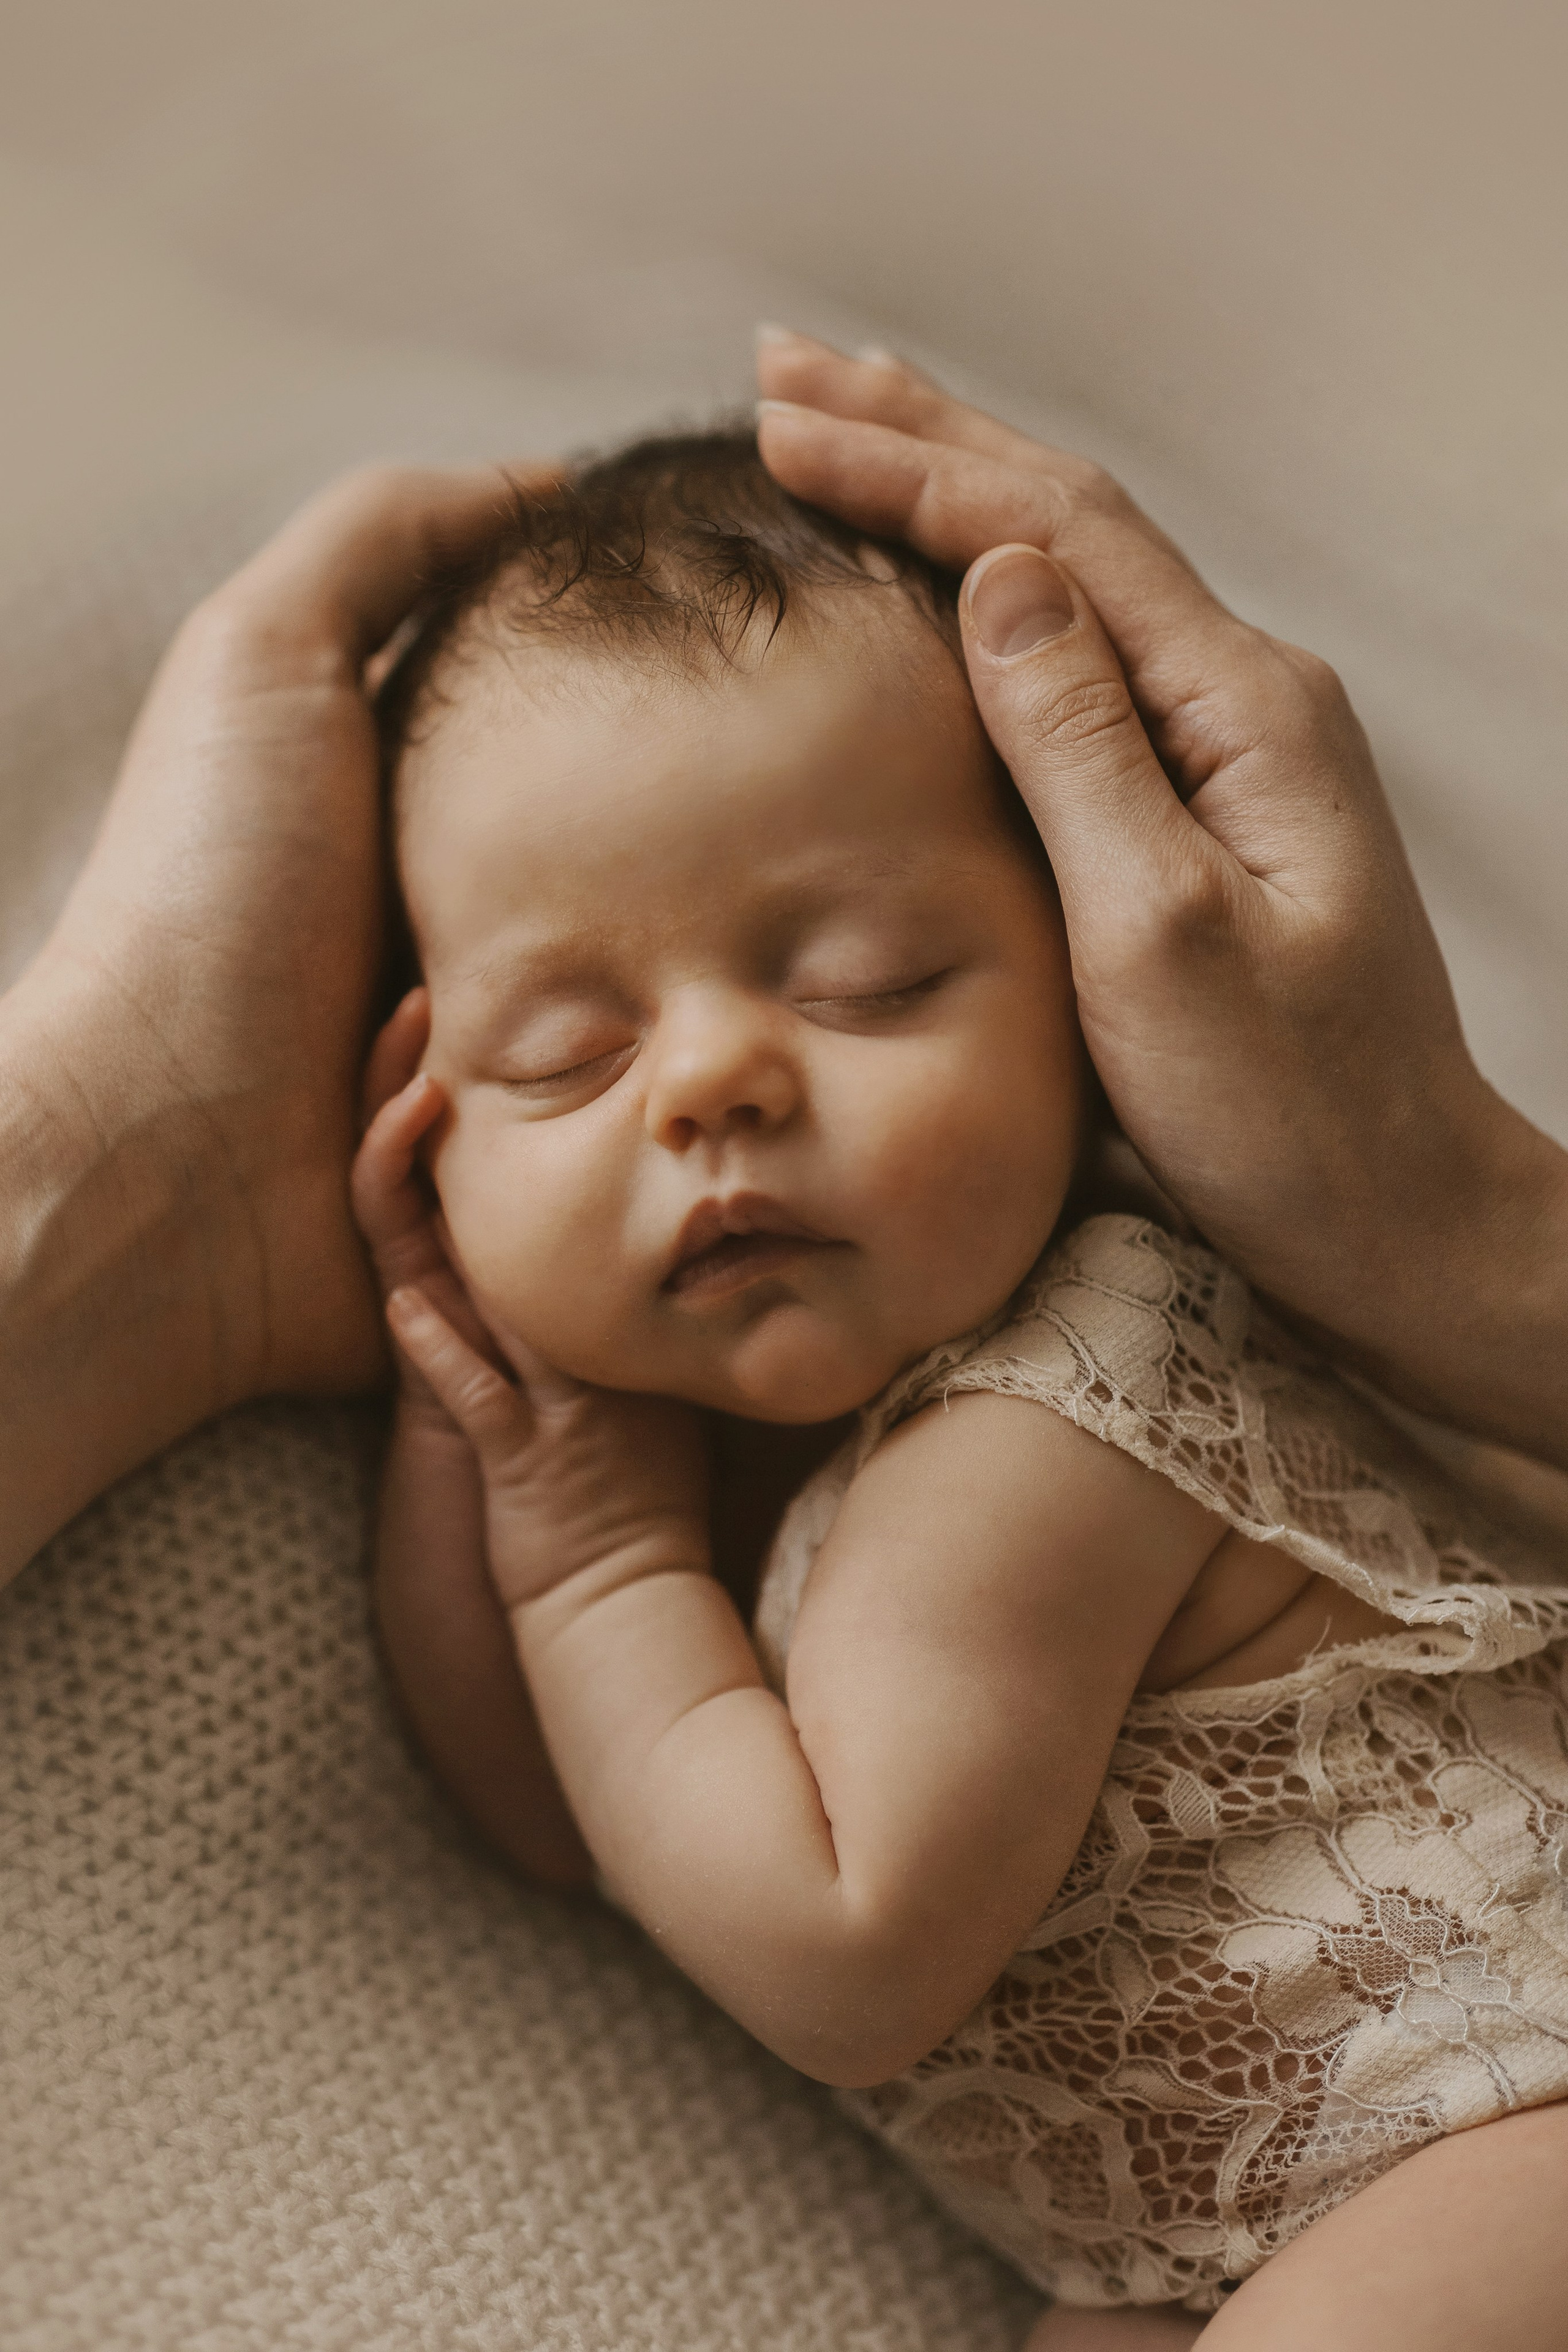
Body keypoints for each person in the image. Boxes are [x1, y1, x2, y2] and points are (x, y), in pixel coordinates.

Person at [0, 339, 1562, 2348]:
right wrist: (495, 1439)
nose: (714, 1082)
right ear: (428, 1107)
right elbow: (569, 1822)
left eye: (869, 983)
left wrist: (597, 1562)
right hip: (1227, 2218)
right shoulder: (765, 1467)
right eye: (566, 1054)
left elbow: (835, 1949)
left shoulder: (1062, 1406)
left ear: (1092, 990)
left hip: (1503, 2110)